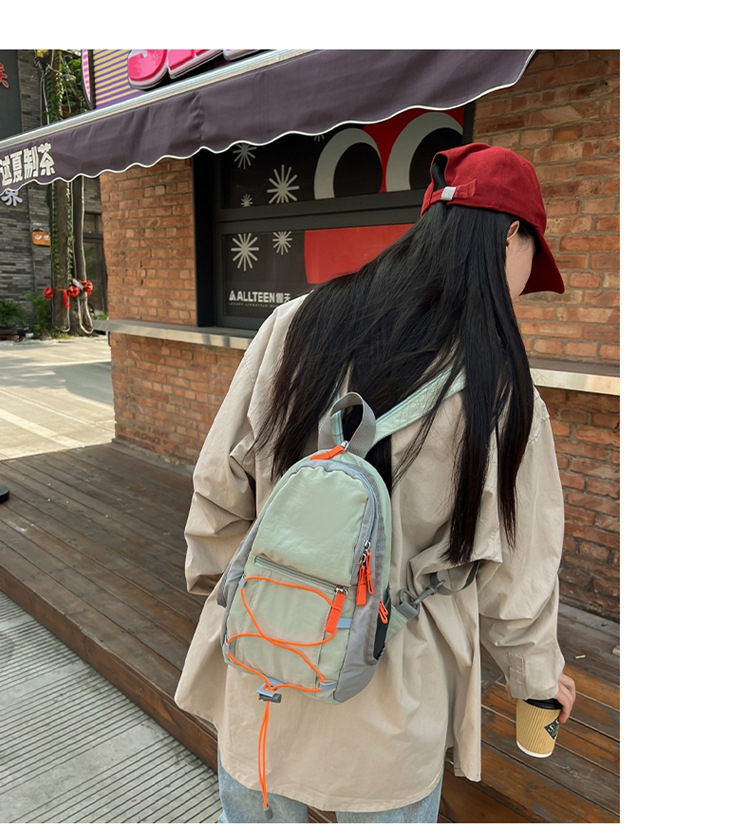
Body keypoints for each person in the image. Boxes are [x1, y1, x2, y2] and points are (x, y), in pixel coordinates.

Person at [175, 142, 576, 823]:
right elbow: (517, 577)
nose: (521, 285)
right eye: (530, 259)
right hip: (393, 692)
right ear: (511, 235)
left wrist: (240, 597)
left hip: (267, 665)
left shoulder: (294, 325)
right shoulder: (501, 391)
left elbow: (219, 486)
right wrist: (538, 682)